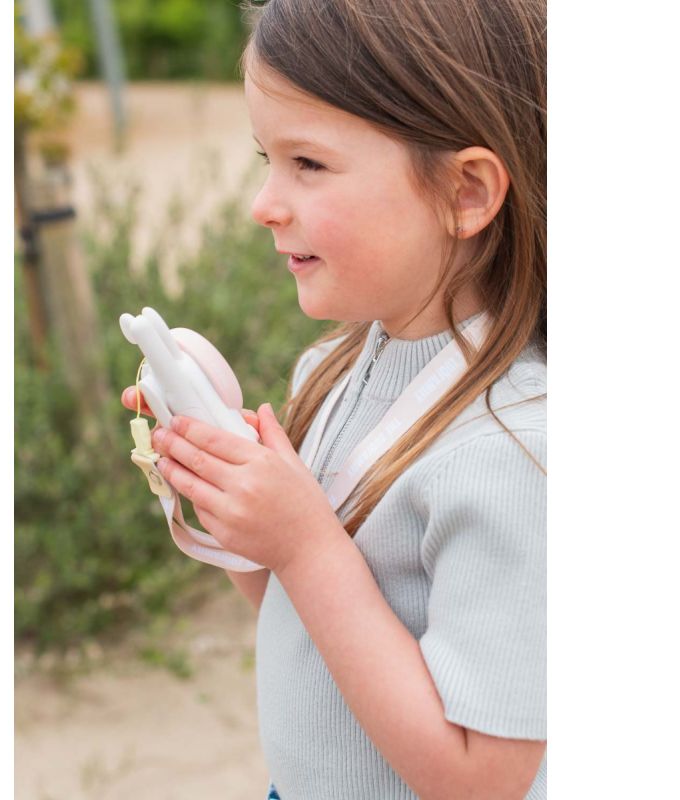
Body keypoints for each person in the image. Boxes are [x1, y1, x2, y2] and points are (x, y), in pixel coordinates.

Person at [122, 0, 546, 796]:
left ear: (466, 193)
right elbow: (301, 619)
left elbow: (486, 779)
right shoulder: (335, 368)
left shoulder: (517, 452)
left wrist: (310, 547)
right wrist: (221, 474)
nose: (264, 204)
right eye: (265, 159)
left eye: (307, 164)